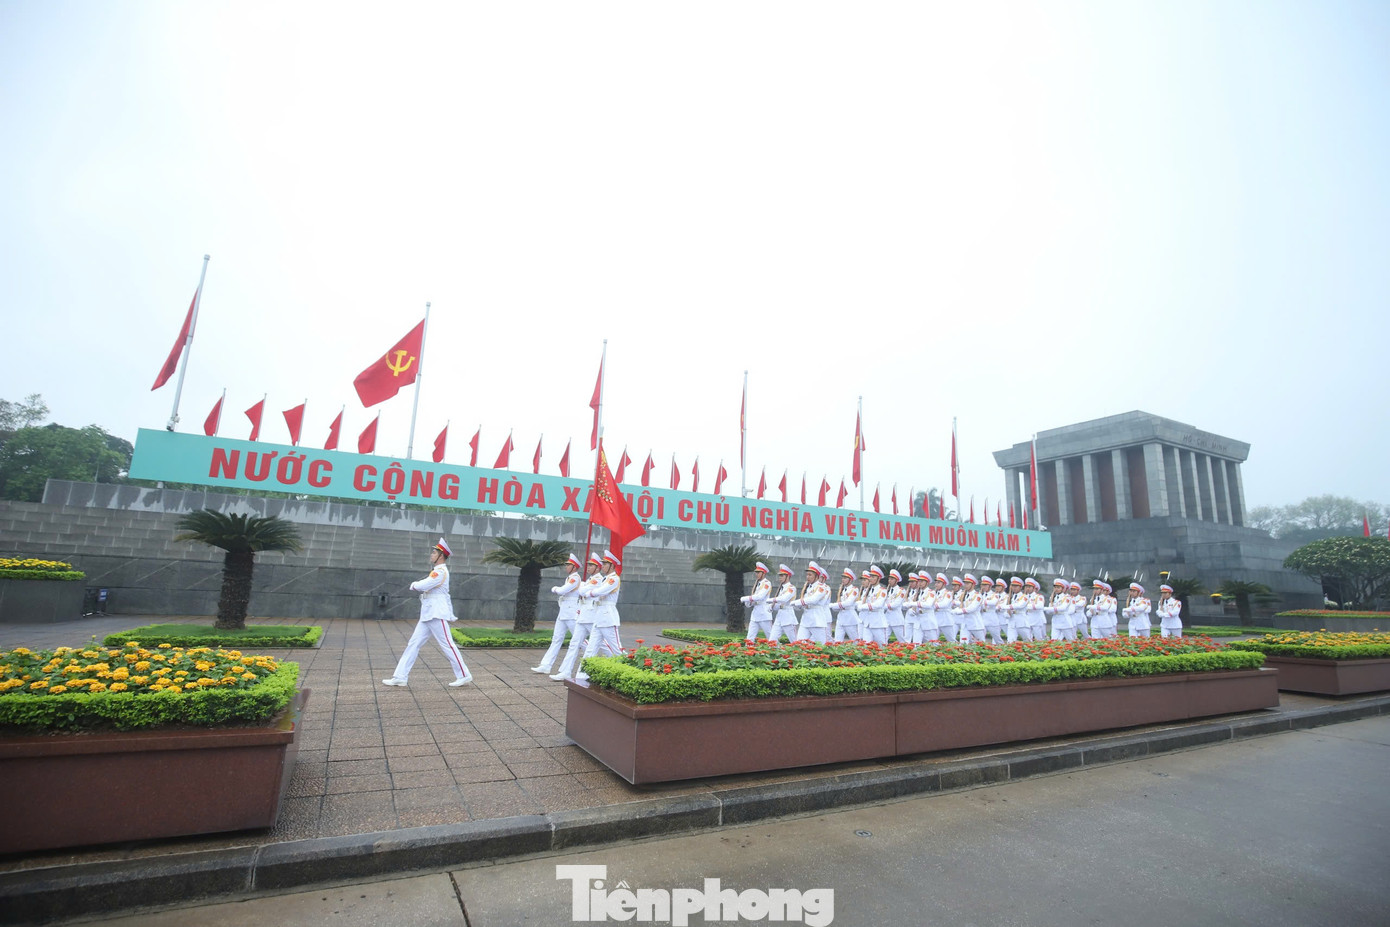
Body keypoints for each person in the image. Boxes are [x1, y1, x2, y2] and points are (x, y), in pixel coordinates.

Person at [383, 538, 473, 688]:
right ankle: (400, 677)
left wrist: (413, 584)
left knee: (448, 645)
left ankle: (464, 675)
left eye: (434, 553)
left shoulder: (440, 572)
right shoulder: (436, 571)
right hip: (429, 613)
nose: (431, 555)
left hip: (436, 613)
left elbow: (424, 584)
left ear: (441, 556)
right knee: (413, 644)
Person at [551, 554, 603, 681]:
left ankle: (619, 661)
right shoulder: (590, 580)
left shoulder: (597, 579)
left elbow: (580, 591)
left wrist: (583, 588)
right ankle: (566, 671)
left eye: (591, 565)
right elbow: (582, 590)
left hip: (591, 616)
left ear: (598, 568)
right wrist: (583, 588)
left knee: (604, 645)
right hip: (583, 615)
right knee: (574, 644)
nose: (588, 568)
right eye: (588, 565)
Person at [575, 549, 624, 682]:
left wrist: (589, 593)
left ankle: (628, 672)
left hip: (608, 617)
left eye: (605, 564)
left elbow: (601, 591)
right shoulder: (605, 578)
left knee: (617, 649)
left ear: (612, 566)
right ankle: (581, 676)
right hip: (599, 617)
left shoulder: (613, 579)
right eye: (602, 563)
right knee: (591, 649)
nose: (602, 566)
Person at [531, 554, 582, 674]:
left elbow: (562, 591)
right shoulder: (570, 578)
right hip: (564, 611)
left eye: (568, 565)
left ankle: (594, 656)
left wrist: (555, 588)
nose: (566, 567)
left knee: (580, 640)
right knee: (556, 639)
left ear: (574, 567)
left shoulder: (575, 578)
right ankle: (546, 665)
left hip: (571, 613)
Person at [793, 562, 832, 643]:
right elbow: (804, 602)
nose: (808, 577)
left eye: (810, 575)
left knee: (821, 645)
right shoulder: (808, 588)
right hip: (805, 620)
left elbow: (814, 599)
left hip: (816, 620)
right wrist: (797, 606)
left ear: (817, 576)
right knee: (799, 644)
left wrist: (797, 602)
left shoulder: (822, 587)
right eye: (807, 574)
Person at [742, 562, 775, 641]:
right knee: (750, 637)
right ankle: (748, 652)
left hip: (764, 614)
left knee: (770, 637)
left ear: (763, 573)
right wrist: (749, 603)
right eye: (756, 572)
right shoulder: (757, 583)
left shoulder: (767, 583)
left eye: (758, 572)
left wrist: (745, 598)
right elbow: (754, 598)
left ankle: (777, 651)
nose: (756, 574)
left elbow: (760, 596)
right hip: (755, 614)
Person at [858, 565, 889, 645]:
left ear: (878, 578)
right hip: (868, 623)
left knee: (882, 646)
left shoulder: (882, 590)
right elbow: (861, 602)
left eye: (873, 577)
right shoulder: (868, 590)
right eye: (870, 577)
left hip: (878, 623)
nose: (870, 578)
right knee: (866, 646)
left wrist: (863, 606)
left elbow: (878, 604)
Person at [830, 567, 860, 642]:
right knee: (837, 641)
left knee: (855, 640)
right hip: (841, 618)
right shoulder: (842, 590)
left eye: (845, 578)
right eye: (842, 577)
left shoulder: (854, 589)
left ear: (850, 580)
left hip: (850, 618)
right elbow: (838, 605)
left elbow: (848, 603)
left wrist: (832, 605)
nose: (843, 579)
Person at [771, 565, 800, 642]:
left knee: (794, 641)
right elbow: (779, 604)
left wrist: (771, 600)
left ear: (788, 576)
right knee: (772, 641)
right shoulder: (781, 588)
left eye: (782, 575)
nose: (780, 577)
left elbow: (784, 599)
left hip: (788, 617)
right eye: (779, 575)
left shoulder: (791, 588)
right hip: (779, 617)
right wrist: (772, 607)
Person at [954, 573, 985, 643]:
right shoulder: (964, 594)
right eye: (965, 583)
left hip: (975, 623)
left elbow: (972, 608)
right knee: (963, 643)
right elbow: (961, 603)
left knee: (981, 644)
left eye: (968, 583)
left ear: (973, 584)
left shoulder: (977, 595)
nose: (965, 585)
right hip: (965, 623)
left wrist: (960, 611)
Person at [884, 569, 907, 644]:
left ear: (896, 580)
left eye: (892, 579)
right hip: (887, 618)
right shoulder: (887, 590)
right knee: (883, 639)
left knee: (902, 640)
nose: (889, 581)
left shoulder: (900, 590)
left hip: (896, 619)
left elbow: (895, 604)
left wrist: (884, 606)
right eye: (889, 579)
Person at [935, 574, 959, 644]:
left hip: (946, 619)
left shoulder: (948, 593)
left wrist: (932, 605)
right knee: (933, 640)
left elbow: (944, 604)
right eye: (936, 582)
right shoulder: (934, 593)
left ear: (944, 584)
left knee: (951, 640)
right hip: (936, 619)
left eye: (938, 583)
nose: (936, 584)